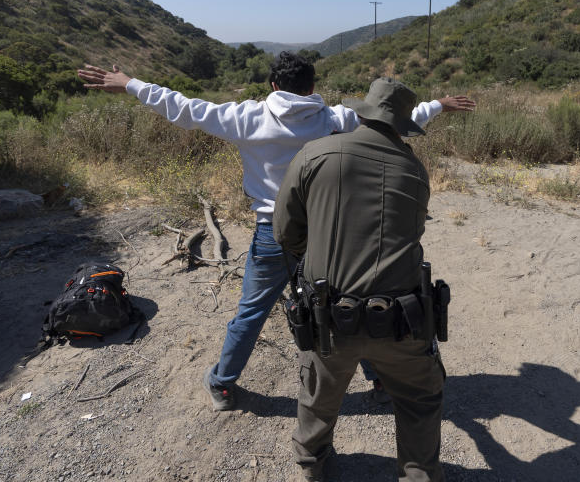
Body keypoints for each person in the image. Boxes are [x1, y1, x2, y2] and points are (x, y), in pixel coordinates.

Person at [77, 54, 473, 411]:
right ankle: (381, 381)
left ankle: (223, 384)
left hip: (274, 234)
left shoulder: (247, 119)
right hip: (328, 232)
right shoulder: (334, 120)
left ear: (273, 86)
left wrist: (129, 84)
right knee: (345, 302)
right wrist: (440, 105)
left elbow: (184, 108)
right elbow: (393, 119)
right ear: (312, 87)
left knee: (252, 311)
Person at [273, 77, 446, 481]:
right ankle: (419, 474)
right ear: (402, 126)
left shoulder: (315, 153)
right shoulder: (415, 170)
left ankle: (312, 466)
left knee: (318, 396)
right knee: (421, 401)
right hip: (404, 317)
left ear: (363, 113)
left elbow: (285, 233)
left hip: (329, 315)